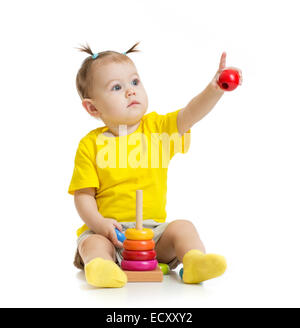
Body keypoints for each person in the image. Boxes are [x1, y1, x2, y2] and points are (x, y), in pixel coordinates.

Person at [68, 41, 243, 288]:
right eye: (117, 87)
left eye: (135, 82)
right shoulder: (90, 145)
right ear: (92, 107)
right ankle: (102, 268)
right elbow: (83, 196)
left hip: (152, 235)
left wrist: (214, 89)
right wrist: (100, 224)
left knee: (183, 228)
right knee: (91, 244)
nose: (130, 91)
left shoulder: (158, 130)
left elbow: (190, 113)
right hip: (109, 234)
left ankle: (194, 261)